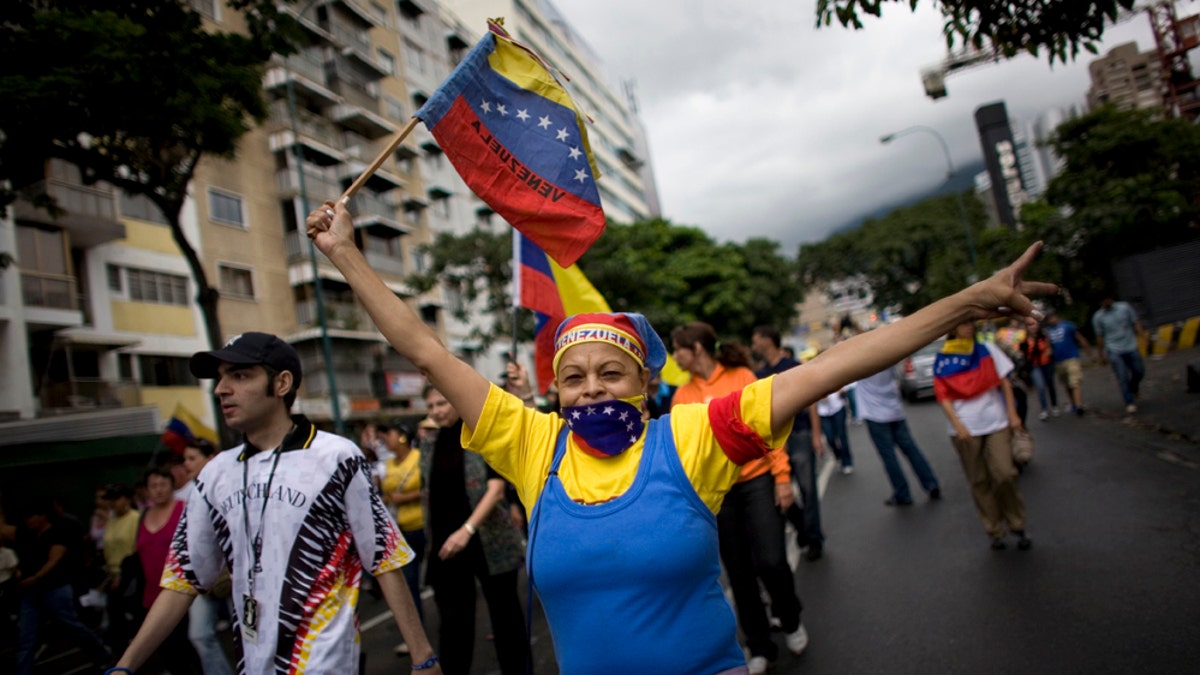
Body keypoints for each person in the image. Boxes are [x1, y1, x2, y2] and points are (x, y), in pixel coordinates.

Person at [306, 199, 1054, 673]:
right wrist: (344, 252)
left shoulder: (691, 438)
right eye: (576, 377)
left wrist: (967, 303)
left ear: (644, 385)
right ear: (557, 392)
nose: (593, 387)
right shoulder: (534, 446)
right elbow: (427, 351)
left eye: (612, 372)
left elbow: (833, 365)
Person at [110, 332, 439, 674]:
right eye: (220, 377)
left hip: (325, 661)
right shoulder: (215, 476)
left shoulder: (337, 458)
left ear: (282, 383)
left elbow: (383, 555)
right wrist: (125, 666)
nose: (221, 388)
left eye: (239, 376)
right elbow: (182, 581)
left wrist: (423, 656)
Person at [672, 323, 808, 673]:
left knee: (772, 562)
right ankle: (759, 645)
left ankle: (790, 620)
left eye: (678, 349)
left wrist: (782, 478)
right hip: (720, 496)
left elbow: (769, 429)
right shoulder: (681, 397)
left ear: (697, 349)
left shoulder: (742, 376)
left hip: (757, 481)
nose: (675, 356)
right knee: (739, 573)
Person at [421, 387, 530, 675]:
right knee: (453, 625)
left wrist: (466, 530)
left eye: (442, 402)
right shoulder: (430, 442)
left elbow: (495, 491)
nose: (436, 410)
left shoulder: (479, 435)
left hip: (488, 541)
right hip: (447, 544)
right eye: (431, 405)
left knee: (507, 620)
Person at [934, 321, 1032, 551]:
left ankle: (1017, 523)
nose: (969, 327)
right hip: (965, 429)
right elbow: (943, 395)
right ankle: (994, 529)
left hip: (995, 422)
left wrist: (1012, 414)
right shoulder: (944, 358)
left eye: (970, 323)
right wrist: (958, 425)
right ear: (953, 329)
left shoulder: (986, 350)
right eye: (962, 323)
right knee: (979, 481)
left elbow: (1005, 383)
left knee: (1005, 474)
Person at [2, 495, 112, 674]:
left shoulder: (58, 531)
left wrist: (36, 577)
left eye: (32, 516)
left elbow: (54, 559)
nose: (28, 520)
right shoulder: (26, 532)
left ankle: (102, 655)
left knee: (72, 626)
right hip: (31, 592)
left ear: (42, 516)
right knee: (26, 638)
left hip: (55, 588)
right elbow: (4, 530)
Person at [751, 325, 825, 561]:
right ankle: (803, 527)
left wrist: (816, 434)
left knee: (807, 489)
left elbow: (811, 401)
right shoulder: (760, 374)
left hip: (800, 434)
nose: (753, 345)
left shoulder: (793, 367)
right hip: (774, 443)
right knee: (780, 491)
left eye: (755, 340)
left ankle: (814, 539)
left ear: (767, 340)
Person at [136, 465, 203, 674]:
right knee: (166, 650)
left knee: (190, 646)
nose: (158, 489)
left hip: (184, 592)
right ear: (146, 490)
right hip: (152, 594)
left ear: (172, 485)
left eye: (163, 484)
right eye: (153, 485)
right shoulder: (143, 515)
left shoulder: (184, 508)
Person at [180, 440, 236, 675]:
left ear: (211, 458)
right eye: (185, 459)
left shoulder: (231, 486)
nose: (186, 464)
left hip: (236, 574)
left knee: (250, 635)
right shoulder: (186, 493)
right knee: (200, 634)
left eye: (192, 458)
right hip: (202, 575)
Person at [853, 366, 942, 506]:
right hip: (894, 409)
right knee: (911, 449)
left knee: (889, 457)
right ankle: (930, 483)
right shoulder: (888, 355)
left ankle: (902, 493)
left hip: (874, 414)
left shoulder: (861, 360)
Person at [375, 421, 428, 657]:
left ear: (403, 436)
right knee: (409, 584)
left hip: (424, 526)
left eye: (389, 433)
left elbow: (427, 488)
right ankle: (417, 638)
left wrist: (403, 498)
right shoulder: (386, 465)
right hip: (401, 530)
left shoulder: (419, 457)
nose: (385, 439)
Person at [1092, 294, 1146, 414]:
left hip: (1130, 345)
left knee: (1139, 370)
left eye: (1107, 299)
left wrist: (1143, 337)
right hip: (1114, 349)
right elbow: (1099, 336)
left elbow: (1135, 322)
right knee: (1122, 377)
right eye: (1103, 301)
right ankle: (1129, 402)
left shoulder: (1124, 308)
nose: (1106, 302)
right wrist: (1101, 354)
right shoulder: (1098, 317)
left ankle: (1134, 387)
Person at [101, 484, 139, 650]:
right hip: (112, 575)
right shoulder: (111, 520)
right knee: (116, 620)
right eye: (110, 500)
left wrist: (123, 576)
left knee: (134, 618)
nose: (112, 503)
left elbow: (135, 549)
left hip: (130, 575)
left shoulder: (136, 518)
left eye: (116, 499)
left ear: (127, 499)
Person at [1043, 308, 1091, 415]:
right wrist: (1048, 352)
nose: (1051, 320)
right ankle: (1073, 403)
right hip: (1059, 360)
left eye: (1052, 317)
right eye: (1048, 319)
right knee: (1067, 384)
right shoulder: (1048, 331)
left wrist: (1087, 350)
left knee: (1074, 381)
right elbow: (1048, 345)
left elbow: (1079, 337)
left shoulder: (1068, 325)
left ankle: (1079, 406)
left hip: (1071, 357)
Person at [1020, 322, 1059, 420]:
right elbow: (1023, 353)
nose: (1033, 327)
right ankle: (1044, 409)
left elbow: (1049, 348)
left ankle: (1054, 405)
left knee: (1050, 385)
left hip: (1046, 364)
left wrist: (1049, 351)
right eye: (1030, 325)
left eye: (1034, 325)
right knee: (1040, 387)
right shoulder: (1025, 340)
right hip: (1034, 366)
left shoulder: (1043, 337)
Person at [817, 386, 854, 474]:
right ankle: (838, 456)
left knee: (842, 435)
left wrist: (841, 391)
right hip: (822, 412)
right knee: (830, 438)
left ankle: (847, 462)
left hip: (838, 407)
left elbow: (845, 383)